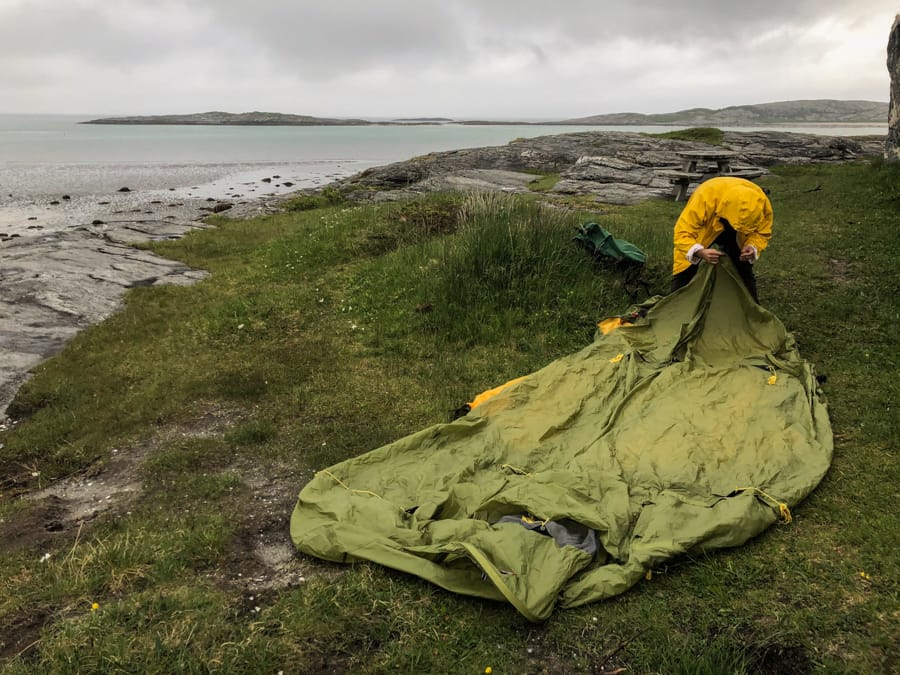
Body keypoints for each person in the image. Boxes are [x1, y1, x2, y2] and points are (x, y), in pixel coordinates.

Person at [669, 175, 773, 303]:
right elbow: (682, 233)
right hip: (708, 224)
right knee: (685, 266)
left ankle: (751, 307)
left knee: (742, 264)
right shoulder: (704, 197)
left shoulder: (761, 203)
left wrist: (752, 246)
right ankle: (675, 301)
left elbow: (761, 232)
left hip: (736, 232)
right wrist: (699, 252)